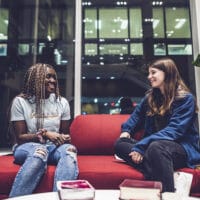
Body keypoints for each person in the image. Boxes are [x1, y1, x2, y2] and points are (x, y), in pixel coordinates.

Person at [114, 58, 200, 193]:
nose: (149, 77)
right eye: (149, 73)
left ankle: (167, 193)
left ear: (167, 73)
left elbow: (174, 131)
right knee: (120, 144)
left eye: (153, 73)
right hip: (153, 148)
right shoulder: (150, 97)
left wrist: (141, 147)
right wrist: (127, 130)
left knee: (157, 147)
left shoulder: (185, 99)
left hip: (180, 148)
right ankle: (161, 173)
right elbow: (136, 117)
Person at [9, 63, 79, 197]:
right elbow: (20, 137)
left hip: (53, 148)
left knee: (70, 151)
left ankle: (57, 198)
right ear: (36, 79)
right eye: (48, 77)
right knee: (40, 152)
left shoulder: (62, 102)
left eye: (54, 77)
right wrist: (45, 134)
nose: (53, 80)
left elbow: (65, 134)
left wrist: (64, 138)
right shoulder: (20, 102)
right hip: (26, 147)